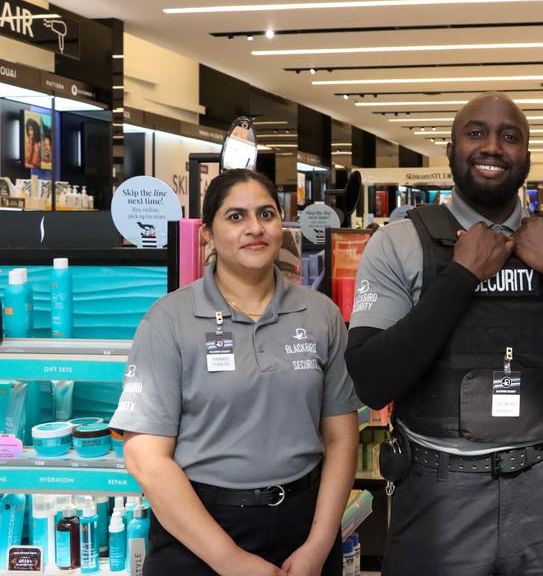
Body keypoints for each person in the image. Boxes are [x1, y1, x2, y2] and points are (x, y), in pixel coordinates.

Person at [345, 91, 543, 576]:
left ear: (527, 154)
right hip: (436, 487)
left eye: (510, 136)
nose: (493, 146)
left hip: (539, 487)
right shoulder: (400, 243)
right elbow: (372, 380)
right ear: (452, 151)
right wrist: (459, 277)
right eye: (476, 133)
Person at [111, 169, 362, 576]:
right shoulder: (168, 320)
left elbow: (341, 439)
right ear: (207, 234)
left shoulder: (321, 315)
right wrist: (231, 561)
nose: (254, 228)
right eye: (235, 217)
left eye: (266, 214)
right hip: (196, 533)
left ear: (282, 227)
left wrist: (318, 545)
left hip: (303, 525)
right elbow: (146, 458)